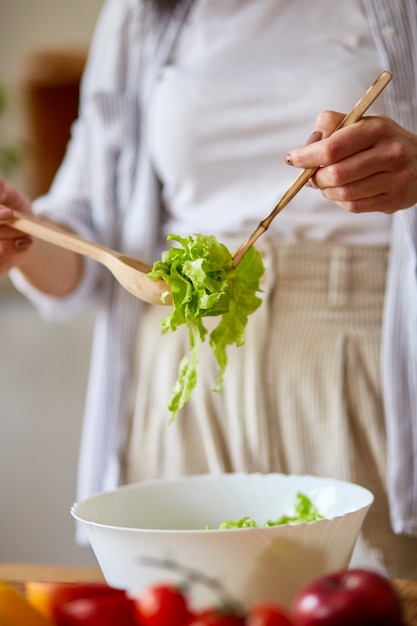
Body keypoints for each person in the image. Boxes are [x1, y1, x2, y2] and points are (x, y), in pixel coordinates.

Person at [1, 0, 417, 577]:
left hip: (362, 361)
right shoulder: (139, 15)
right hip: (181, 378)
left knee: (376, 595)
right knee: (188, 600)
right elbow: (86, 252)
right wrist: (23, 235)